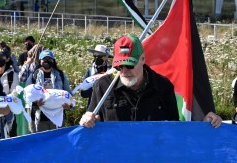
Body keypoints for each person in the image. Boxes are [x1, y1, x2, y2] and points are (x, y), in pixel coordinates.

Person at [80, 34, 222, 128]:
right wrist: (86, 121)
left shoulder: (163, 86)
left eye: (129, 65)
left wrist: (203, 127)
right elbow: (90, 122)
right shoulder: (103, 86)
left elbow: (175, 131)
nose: (124, 71)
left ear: (142, 59)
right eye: (119, 66)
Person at [25, 49, 73, 133]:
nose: (47, 61)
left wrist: (70, 105)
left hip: (57, 116)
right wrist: (35, 104)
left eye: (49, 59)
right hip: (40, 117)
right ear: (40, 61)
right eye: (44, 59)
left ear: (53, 61)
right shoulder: (34, 75)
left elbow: (68, 93)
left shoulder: (61, 75)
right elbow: (26, 95)